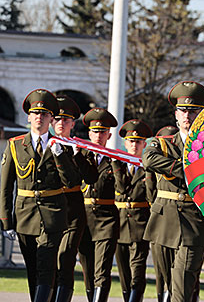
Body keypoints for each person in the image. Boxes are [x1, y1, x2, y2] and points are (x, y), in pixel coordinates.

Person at [0, 89, 80, 302]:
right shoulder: (15, 145)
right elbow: (6, 187)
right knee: (33, 270)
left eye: (44, 114)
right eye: (35, 113)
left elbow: (71, 182)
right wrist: (6, 221)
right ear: (28, 117)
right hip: (25, 215)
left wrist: (60, 155)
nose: (39, 117)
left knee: (46, 266)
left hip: (53, 215)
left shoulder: (62, 146)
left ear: (51, 118)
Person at [142, 81, 204, 302]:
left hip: (193, 222)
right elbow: (148, 159)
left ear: (202, 115)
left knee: (181, 290)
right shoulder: (162, 143)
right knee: (166, 289)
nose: (187, 115)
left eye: (193, 111)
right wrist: (189, 170)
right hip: (163, 222)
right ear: (176, 113)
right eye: (183, 110)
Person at [51, 95, 98, 302]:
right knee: (49, 260)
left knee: (66, 258)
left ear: (73, 123)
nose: (62, 123)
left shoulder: (79, 147)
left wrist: (78, 155)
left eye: (66, 120)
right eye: (58, 119)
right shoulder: (45, 146)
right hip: (50, 208)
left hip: (73, 209)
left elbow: (91, 177)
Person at [111, 119, 156, 302]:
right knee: (124, 274)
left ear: (144, 144)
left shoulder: (149, 167)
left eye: (138, 142)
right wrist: (115, 165)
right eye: (131, 141)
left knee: (137, 272)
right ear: (125, 143)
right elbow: (120, 188)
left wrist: (149, 174)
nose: (134, 145)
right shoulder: (118, 164)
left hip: (140, 224)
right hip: (119, 223)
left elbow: (151, 195)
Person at [78, 107, 119, 302]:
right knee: (87, 270)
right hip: (83, 218)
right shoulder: (79, 156)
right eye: (95, 131)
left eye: (103, 132)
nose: (98, 136)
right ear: (89, 133)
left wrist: (118, 166)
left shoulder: (115, 160)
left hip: (106, 218)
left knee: (101, 271)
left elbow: (123, 187)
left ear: (109, 135)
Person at [150, 125, 179, 302]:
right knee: (164, 273)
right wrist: (184, 169)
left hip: (188, 217)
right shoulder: (156, 149)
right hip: (161, 216)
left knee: (184, 277)